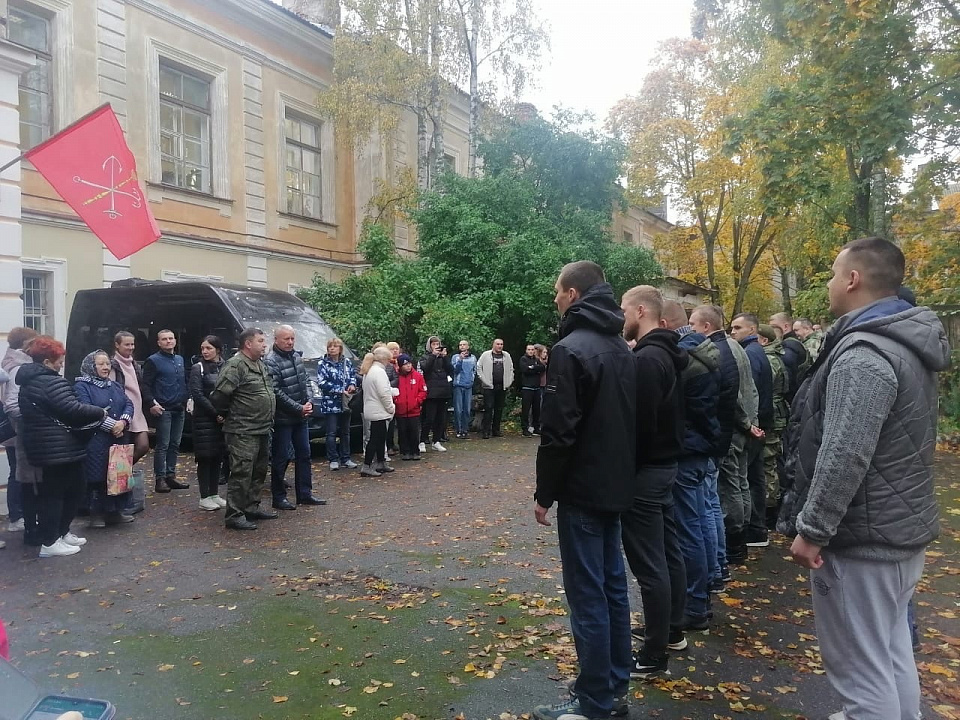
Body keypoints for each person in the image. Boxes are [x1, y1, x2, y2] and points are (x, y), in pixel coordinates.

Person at [780, 237, 950, 720]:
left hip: (861, 542)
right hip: (895, 534)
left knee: (863, 677)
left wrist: (813, 529)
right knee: (891, 656)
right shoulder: (904, 344)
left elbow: (846, 452)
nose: (830, 285)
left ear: (852, 279)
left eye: (834, 275)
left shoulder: (863, 353)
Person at [533, 261, 637, 720]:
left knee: (589, 594)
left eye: (558, 292)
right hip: (615, 484)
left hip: (583, 488)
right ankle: (613, 686)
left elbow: (559, 432)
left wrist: (545, 493)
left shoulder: (570, 349)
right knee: (612, 587)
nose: (555, 300)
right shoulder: (619, 346)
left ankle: (595, 699)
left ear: (572, 294)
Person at [619, 287, 689, 678]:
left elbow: (639, 426)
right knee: (667, 552)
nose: (621, 317)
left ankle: (654, 652)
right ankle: (671, 630)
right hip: (665, 467)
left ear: (641, 311)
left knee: (650, 564)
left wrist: (623, 469)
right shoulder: (667, 353)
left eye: (624, 310)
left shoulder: (648, 359)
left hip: (647, 473)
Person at [16, 336, 108, 558]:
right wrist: (100, 411)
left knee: (74, 487)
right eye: (58, 360)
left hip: (54, 445)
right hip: (56, 447)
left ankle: (61, 532)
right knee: (56, 494)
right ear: (47, 362)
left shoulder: (33, 380)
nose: (61, 364)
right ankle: (50, 542)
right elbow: (72, 408)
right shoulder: (49, 381)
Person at [662, 300, 721, 634]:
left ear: (665, 323)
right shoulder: (704, 351)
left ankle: (694, 604)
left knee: (687, 530)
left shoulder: (683, 356)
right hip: (700, 448)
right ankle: (703, 594)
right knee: (698, 523)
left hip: (686, 451)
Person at [690, 305, 757, 568]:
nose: (690, 329)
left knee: (729, 489)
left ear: (706, 326)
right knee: (740, 482)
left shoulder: (720, 350)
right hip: (741, 426)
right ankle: (741, 539)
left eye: (693, 324)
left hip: (731, 429)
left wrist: (746, 424)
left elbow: (732, 394)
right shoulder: (736, 346)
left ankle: (735, 544)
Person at [211, 328, 277, 531]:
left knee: (259, 471)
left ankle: (251, 507)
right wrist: (231, 414)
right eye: (260, 341)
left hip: (262, 428)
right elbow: (219, 396)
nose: (264, 345)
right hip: (242, 430)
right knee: (242, 472)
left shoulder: (259, 363)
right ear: (248, 343)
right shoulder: (236, 365)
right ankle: (234, 515)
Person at [265, 325, 325, 510]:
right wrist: (298, 408)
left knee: (304, 455)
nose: (290, 342)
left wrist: (309, 402)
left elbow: (305, 381)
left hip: (301, 417)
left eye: (292, 338)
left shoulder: (297, 357)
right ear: (276, 340)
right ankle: (278, 497)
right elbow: (275, 391)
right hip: (283, 419)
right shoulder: (271, 361)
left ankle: (304, 494)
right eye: (286, 339)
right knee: (281, 457)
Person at [75, 351, 135, 528]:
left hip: (117, 438)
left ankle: (114, 512)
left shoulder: (114, 385)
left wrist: (123, 422)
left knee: (117, 475)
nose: (106, 367)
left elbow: (128, 403)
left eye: (107, 364)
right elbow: (86, 409)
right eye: (101, 364)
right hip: (96, 439)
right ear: (91, 366)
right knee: (97, 476)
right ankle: (96, 514)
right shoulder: (82, 386)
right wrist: (112, 425)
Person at [730, 313, 774, 549]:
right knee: (754, 478)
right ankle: (757, 530)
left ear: (752, 330)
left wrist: (748, 424)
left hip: (753, 425)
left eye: (738, 327)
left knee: (744, 480)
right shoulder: (757, 352)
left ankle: (750, 530)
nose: (733, 331)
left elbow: (749, 393)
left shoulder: (749, 354)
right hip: (760, 423)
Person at [141, 329, 190, 493]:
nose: (168, 341)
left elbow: (183, 381)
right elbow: (146, 384)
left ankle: (170, 475)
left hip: (179, 407)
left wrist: (188, 398)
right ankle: (160, 478)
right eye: (164, 339)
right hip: (163, 408)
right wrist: (151, 403)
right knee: (163, 444)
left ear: (175, 340)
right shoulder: (153, 361)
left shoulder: (179, 359)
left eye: (171, 338)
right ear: (159, 342)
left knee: (175, 444)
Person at [110, 332, 151, 514]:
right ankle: (118, 481)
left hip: (137, 411)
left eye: (132, 344)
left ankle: (120, 472)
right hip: (123, 413)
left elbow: (139, 386)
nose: (131, 347)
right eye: (127, 344)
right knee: (122, 452)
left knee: (143, 446)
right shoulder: (113, 364)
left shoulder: (134, 363)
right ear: (117, 345)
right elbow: (112, 389)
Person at [2, 326, 37, 535]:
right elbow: (11, 403)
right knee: (18, 472)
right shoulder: (17, 367)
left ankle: (18, 514)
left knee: (17, 472)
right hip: (17, 429)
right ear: (25, 344)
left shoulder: (10, 363)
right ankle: (16, 516)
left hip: (14, 429)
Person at [189, 336, 228, 512]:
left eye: (209, 348)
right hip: (204, 419)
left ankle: (214, 493)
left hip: (221, 418)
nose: (205, 351)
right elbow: (197, 394)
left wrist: (224, 412)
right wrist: (215, 413)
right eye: (203, 348)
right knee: (205, 457)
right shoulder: (198, 368)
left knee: (217, 455)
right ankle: (204, 496)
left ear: (218, 350)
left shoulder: (225, 366)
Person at [757, 325, 790, 530]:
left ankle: (770, 510)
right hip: (778, 414)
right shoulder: (776, 357)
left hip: (773, 416)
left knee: (768, 462)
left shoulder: (769, 360)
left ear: (764, 341)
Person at [317, 338, 358, 471]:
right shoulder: (323, 363)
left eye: (335, 346)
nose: (332, 348)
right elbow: (321, 382)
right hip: (330, 403)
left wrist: (352, 385)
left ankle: (346, 457)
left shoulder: (346, 362)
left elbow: (352, 376)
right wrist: (339, 390)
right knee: (331, 432)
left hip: (345, 402)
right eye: (330, 346)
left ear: (340, 349)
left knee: (345, 432)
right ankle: (333, 459)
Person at [361, 347, 396, 477]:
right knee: (375, 439)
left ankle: (381, 462)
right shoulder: (379, 372)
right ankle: (367, 466)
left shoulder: (369, 370)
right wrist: (391, 408)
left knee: (380, 437)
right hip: (379, 410)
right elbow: (384, 393)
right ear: (385, 359)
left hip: (372, 408)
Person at [418, 336, 453, 452]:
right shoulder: (425, 357)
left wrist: (445, 357)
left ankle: (436, 441)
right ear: (429, 346)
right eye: (434, 344)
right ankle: (422, 441)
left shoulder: (443, 358)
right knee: (429, 418)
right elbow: (425, 368)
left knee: (441, 418)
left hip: (443, 391)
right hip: (431, 392)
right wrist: (433, 356)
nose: (436, 346)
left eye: (438, 344)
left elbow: (450, 370)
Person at [477, 339, 515, 439]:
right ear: (493, 345)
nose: (500, 346)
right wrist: (484, 380)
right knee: (488, 408)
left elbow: (511, 369)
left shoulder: (506, 356)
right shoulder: (486, 355)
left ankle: (496, 430)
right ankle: (486, 431)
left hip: (502, 386)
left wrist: (509, 381)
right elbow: (479, 368)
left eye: (501, 344)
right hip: (489, 386)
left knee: (499, 408)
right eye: (498, 344)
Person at [768, 312, 810, 397]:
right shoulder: (793, 343)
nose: (771, 330)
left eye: (774, 326)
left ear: (786, 326)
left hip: (792, 396)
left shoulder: (789, 346)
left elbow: (787, 376)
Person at [394, 354, 427, 461]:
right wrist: (397, 401)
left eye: (409, 363)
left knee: (414, 431)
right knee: (402, 431)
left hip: (414, 410)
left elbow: (423, 390)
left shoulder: (417, 376)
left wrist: (418, 401)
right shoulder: (397, 377)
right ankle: (405, 451)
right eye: (405, 364)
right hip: (401, 410)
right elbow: (392, 390)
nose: (408, 366)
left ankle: (415, 451)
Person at [450, 340, 477, 439]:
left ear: (468, 346)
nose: (462, 346)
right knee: (458, 410)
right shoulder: (455, 357)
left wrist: (472, 380)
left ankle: (465, 430)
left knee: (467, 409)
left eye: (464, 344)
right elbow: (455, 371)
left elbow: (474, 370)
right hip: (458, 386)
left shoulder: (473, 358)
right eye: (460, 345)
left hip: (468, 386)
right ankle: (458, 430)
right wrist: (460, 360)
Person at [519, 344, 547, 437]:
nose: (531, 351)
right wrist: (534, 368)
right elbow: (525, 370)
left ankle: (536, 427)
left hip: (536, 388)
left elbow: (542, 368)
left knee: (537, 409)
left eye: (532, 350)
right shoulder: (523, 359)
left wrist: (533, 367)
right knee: (526, 409)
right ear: (526, 350)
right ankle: (525, 428)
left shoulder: (536, 359)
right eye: (529, 349)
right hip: (527, 388)